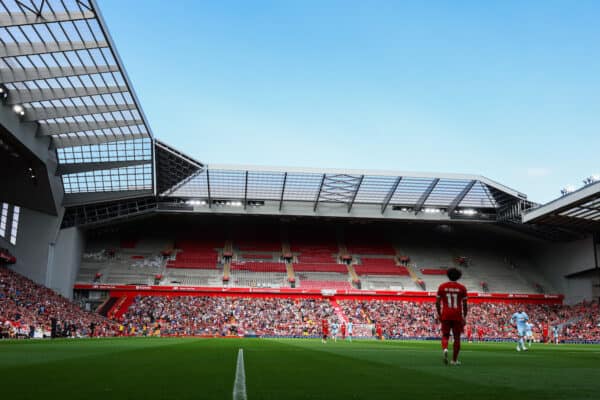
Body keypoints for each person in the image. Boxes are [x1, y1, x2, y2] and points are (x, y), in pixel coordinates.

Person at [436, 267, 468, 366]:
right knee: (457, 338)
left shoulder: (442, 286)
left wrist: (439, 314)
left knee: (445, 335)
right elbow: (465, 304)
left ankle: (445, 348)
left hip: (445, 314)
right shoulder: (462, 288)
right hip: (457, 315)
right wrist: (464, 316)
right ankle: (454, 360)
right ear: (459, 276)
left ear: (448, 275)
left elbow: (437, 303)